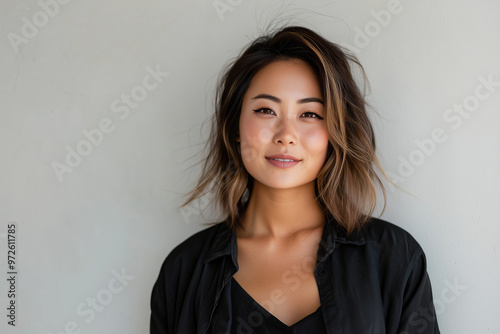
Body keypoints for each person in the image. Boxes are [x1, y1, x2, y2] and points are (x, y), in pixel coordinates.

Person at [150, 25, 440, 334]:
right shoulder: (183, 270)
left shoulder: (394, 258)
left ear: (335, 131)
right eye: (266, 110)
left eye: (310, 114)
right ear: (234, 126)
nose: (286, 135)